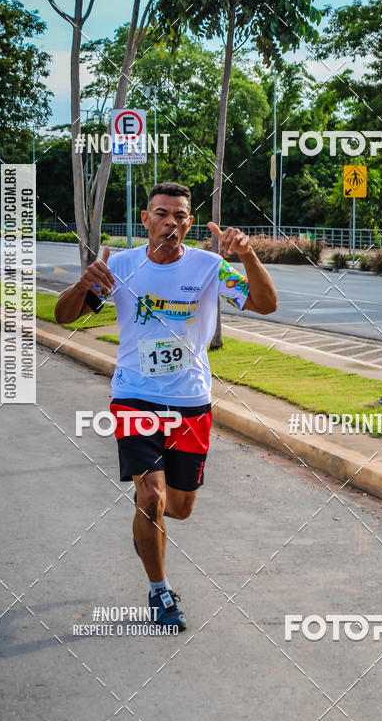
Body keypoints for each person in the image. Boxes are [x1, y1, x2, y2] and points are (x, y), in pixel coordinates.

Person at [55, 182, 277, 631]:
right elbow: (64, 316)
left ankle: (147, 527)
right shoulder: (121, 266)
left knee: (178, 507)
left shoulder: (209, 267)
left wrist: (247, 254)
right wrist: (83, 283)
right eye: (161, 214)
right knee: (151, 496)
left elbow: (266, 305)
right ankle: (160, 591)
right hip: (135, 396)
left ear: (189, 223)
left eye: (179, 216)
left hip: (190, 402)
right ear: (145, 219)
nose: (170, 223)